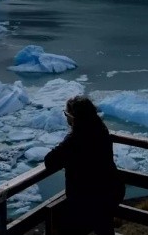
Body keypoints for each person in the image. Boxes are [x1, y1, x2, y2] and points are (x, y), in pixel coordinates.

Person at [44, 95, 125, 235]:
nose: (66, 117)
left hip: (89, 197)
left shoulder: (75, 138)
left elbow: (50, 161)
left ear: (74, 117)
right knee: (104, 225)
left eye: (66, 114)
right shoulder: (101, 130)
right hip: (111, 191)